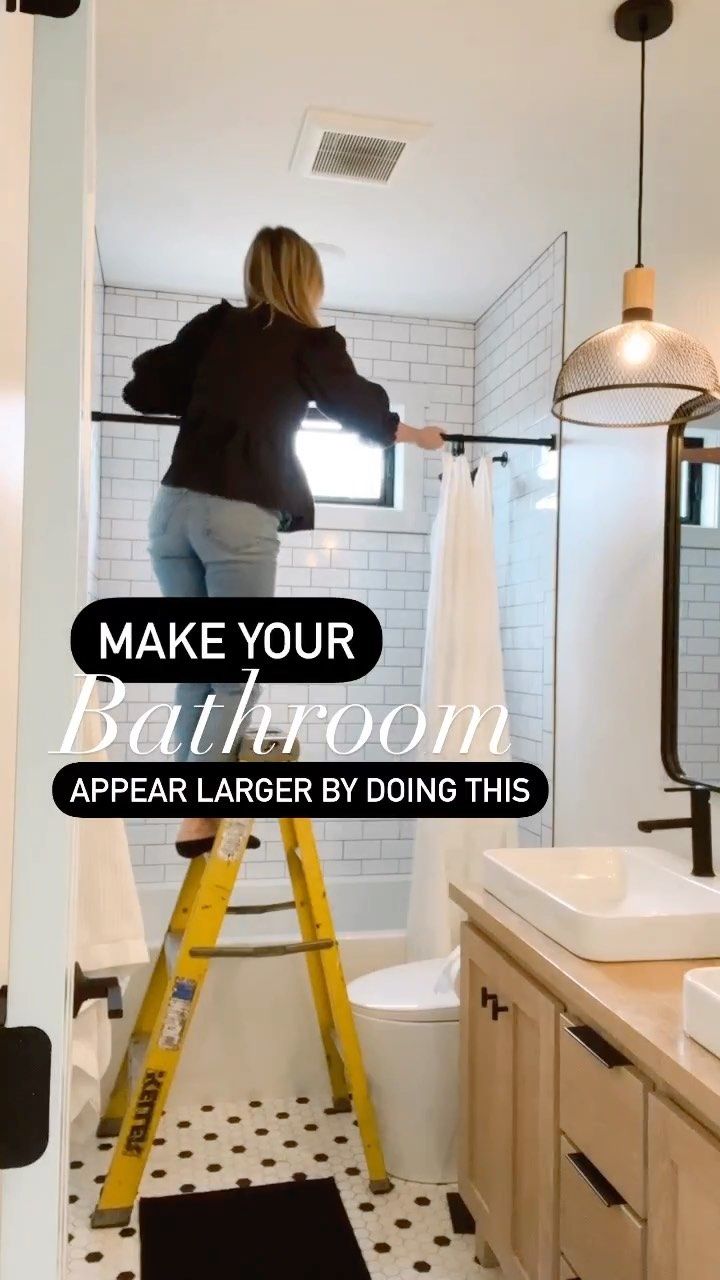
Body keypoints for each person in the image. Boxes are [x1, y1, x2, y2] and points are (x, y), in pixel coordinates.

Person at [123, 224, 445, 856]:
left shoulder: (214, 327)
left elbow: (144, 388)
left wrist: (212, 396)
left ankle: (191, 810)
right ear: (307, 279)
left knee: (196, 668)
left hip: (170, 514)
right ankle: (203, 811)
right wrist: (418, 435)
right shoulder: (309, 343)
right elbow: (358, 410)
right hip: (236, 516)